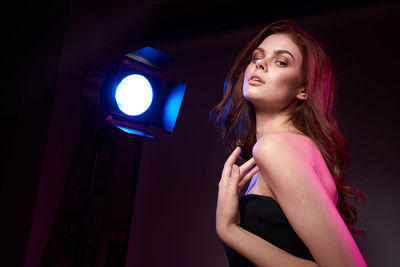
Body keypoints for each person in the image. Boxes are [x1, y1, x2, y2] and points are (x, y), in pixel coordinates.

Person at [210, 19, 367, 266]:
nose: (260, 64)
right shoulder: (289, 149)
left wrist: (230, 229)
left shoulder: (275, 148)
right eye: (256, 57)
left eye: (280, 62)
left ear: (303, 89)